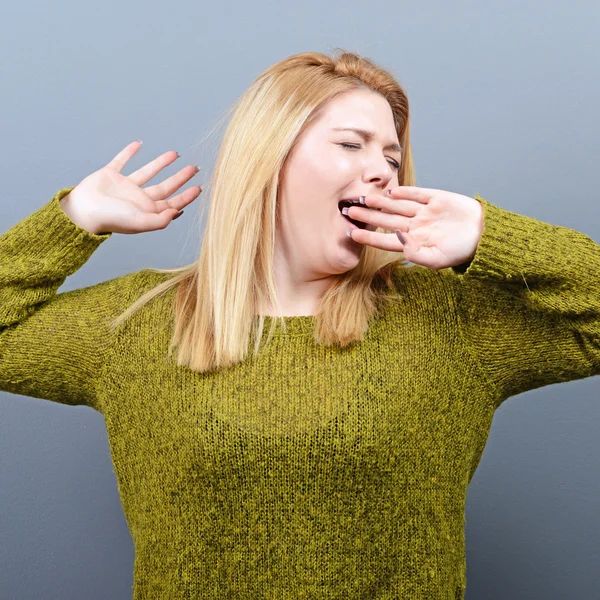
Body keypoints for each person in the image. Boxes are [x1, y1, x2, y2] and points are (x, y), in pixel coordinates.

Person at [1, 48, 599, 600]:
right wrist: (72, 220)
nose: (383, 170)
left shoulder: (450, 320)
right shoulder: (137, 323)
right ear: (270, 158)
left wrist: (492, 238)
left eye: (391, 155)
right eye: (352, 145)